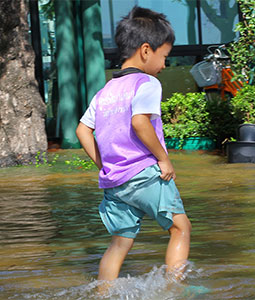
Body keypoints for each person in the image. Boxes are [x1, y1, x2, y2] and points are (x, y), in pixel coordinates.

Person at [75, 6, 192, 289]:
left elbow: (82, 130)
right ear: (145, 50)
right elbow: (141, 123)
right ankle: (175, 290)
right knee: (180, 229)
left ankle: (102, 293)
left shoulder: (105, 91)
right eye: (164, 57)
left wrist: (103, 165)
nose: (164, 65)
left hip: (115, 183)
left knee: (118, 243)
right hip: (144, 173)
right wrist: (164, 159)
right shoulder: (147, 83)